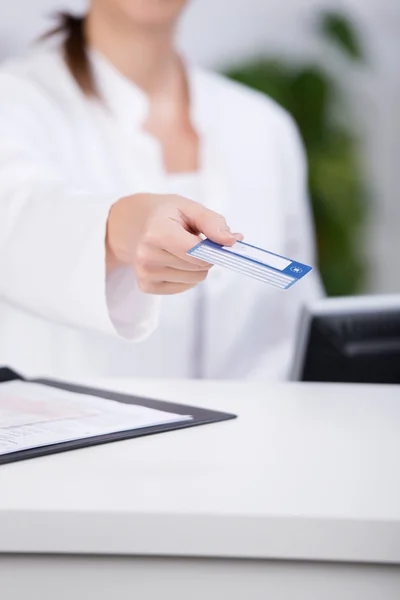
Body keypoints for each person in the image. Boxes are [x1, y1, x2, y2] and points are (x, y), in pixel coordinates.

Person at [0, 0, 322, 381]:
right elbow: (19, 217)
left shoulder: (264, 126)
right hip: (86, 436)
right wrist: (121, 229)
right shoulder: (15, 102)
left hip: (255, 436)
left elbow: (292, 330)